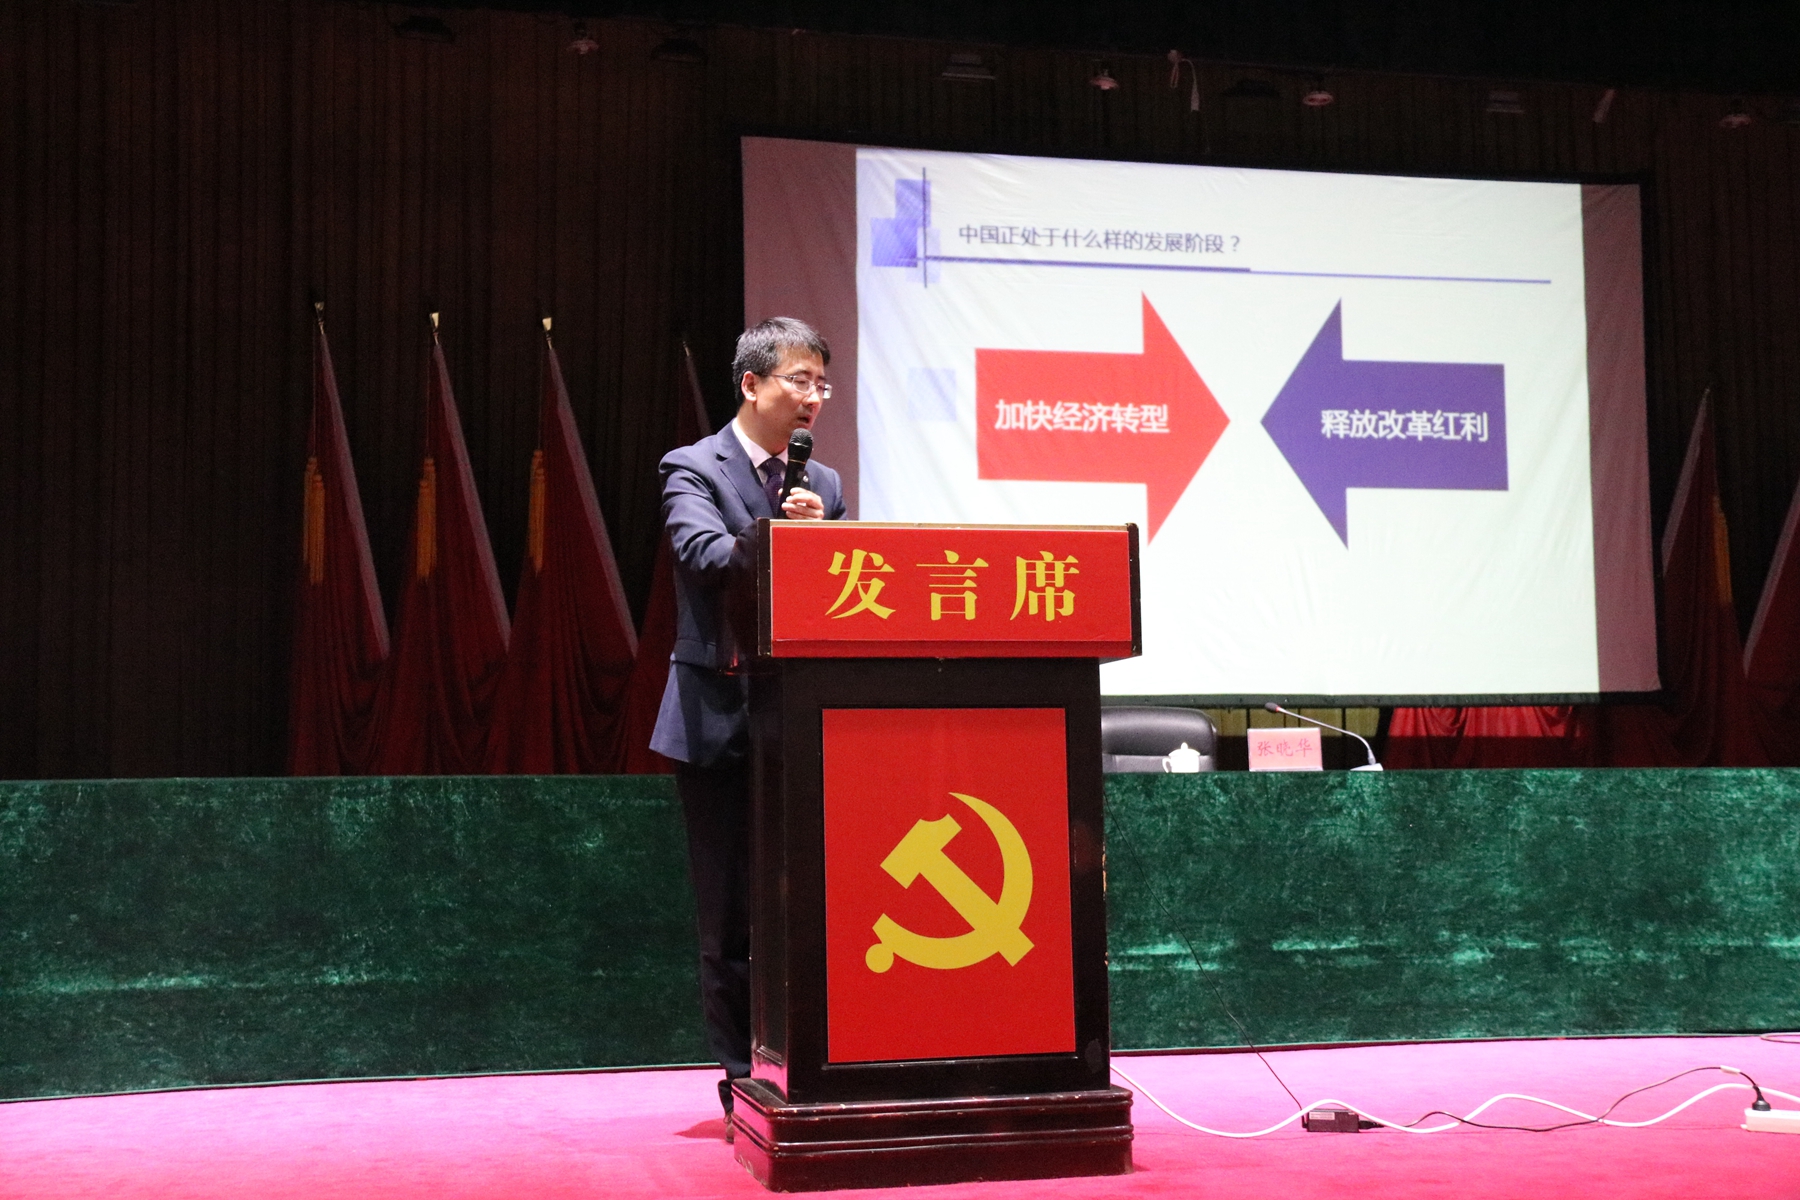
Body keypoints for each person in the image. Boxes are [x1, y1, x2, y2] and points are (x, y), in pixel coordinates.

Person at [649, 317, 846, 1134]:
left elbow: (850, 592)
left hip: (802, 726)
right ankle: (740, 1075)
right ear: (752, 384)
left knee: (811, 909)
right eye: (800, 380)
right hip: (718, 725)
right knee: (730, 917)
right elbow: (703, 555)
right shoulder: (691, 467)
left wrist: (827, 539)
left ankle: (810, 1060)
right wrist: (781, 537)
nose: (813, 397)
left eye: (822, 383)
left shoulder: (824, 483)